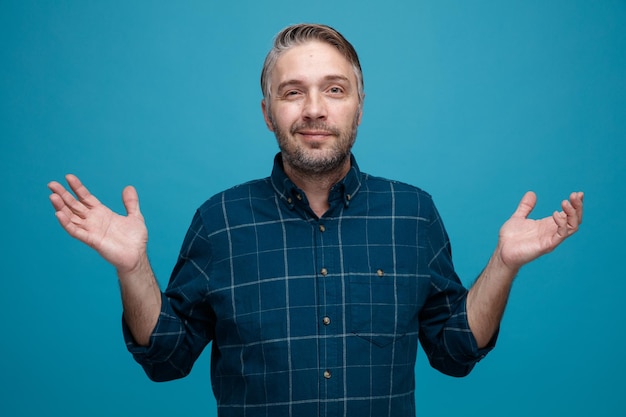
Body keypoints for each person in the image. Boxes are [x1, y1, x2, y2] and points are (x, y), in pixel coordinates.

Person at [48, 23, 584, 417]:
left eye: (333, 89)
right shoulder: (220, 221)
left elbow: (456, 352)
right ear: (267, 112)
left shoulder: (413, 214)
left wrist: (504, 264)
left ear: (358, 105)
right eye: (292, 92)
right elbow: (165, 359)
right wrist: (132, 267)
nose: (314, 109)